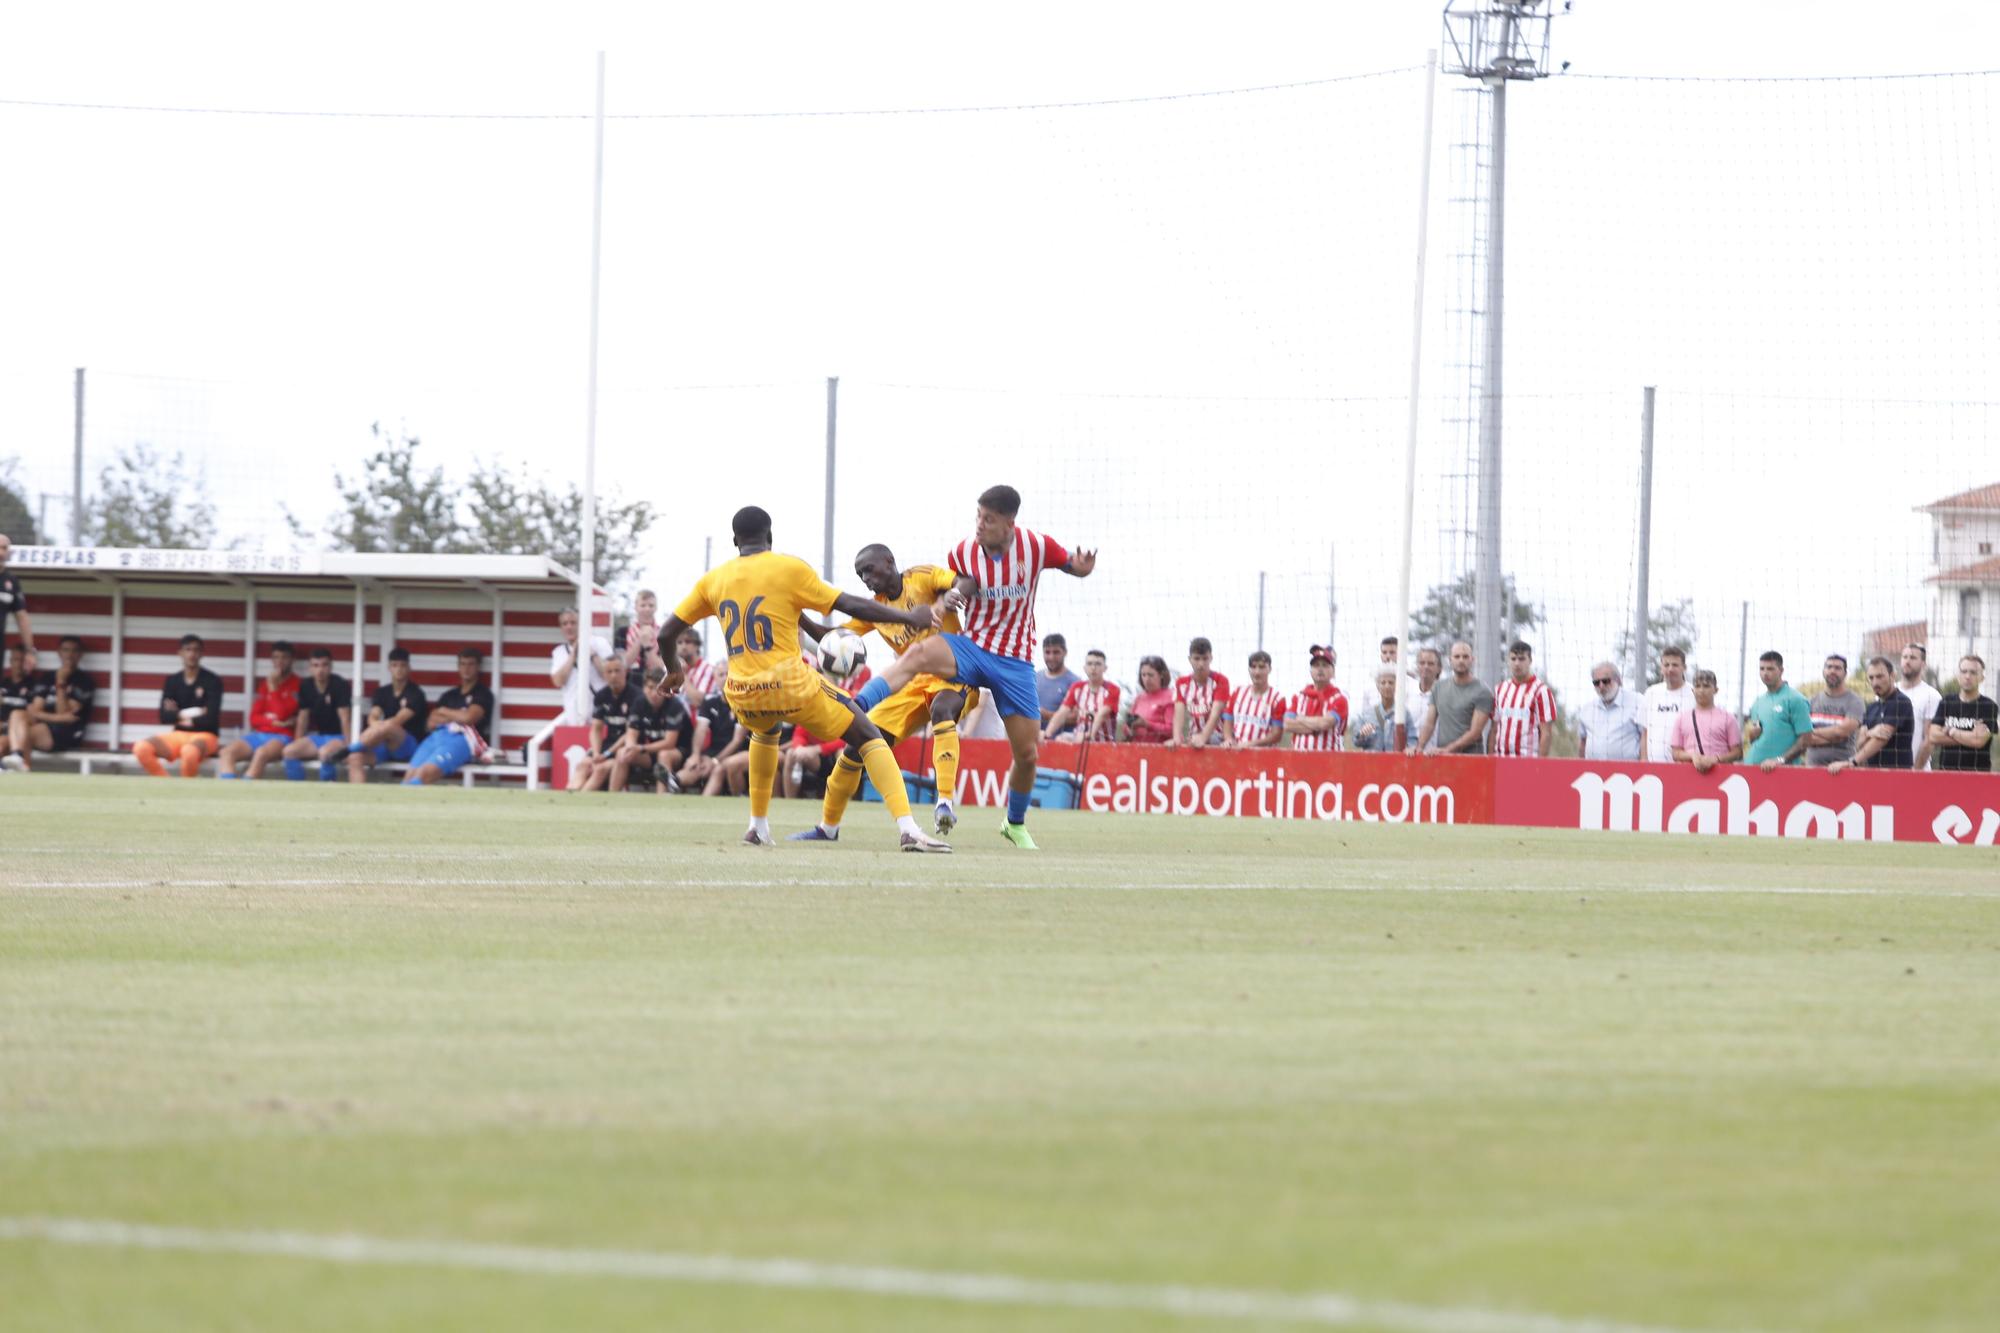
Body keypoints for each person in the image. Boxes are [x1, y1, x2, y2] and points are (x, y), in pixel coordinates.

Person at [649, 506, 952, 851]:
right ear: (770, 537)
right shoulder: (788, 568)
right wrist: (908, 615)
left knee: (765, 731)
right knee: (867, 734)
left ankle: (758, 828)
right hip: (790, 684)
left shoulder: (712, 580)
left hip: (742, 692)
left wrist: (674, 670)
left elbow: (666, 634)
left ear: (735, 541)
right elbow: (850, 604)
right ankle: (909, 829)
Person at [848, 485, 1096, 850]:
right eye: (978, 516)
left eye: (989, 519)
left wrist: (1082, 569)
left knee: (1027, 755)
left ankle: (1014, 823)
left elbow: (1069, 564)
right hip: (973, 647)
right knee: (916, 656)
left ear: (1009, 523)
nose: (980, 524)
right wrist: (947, 601)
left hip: (1014, 662)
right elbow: (964, 581)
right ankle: (858, 705)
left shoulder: (1037, 546)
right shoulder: (962, 550)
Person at [791, 545, 972, 841]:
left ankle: (945, 803)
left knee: (942, 710)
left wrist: (953, 593)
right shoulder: (876, 609)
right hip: (909, 682)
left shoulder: (922, 578)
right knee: (857, 745)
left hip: (953, 672)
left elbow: (961, 580)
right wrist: (800, 617)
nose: (866, 578)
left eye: (869, 570)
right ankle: (828, 827)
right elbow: (832, 637)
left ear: (889, 562)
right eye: (861, 574)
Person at [134, 634, 226, 777]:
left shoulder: (212, 680)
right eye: (188, 650)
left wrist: (177, 714)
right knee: (141, 748)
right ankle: (167, 785)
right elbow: (164, 717)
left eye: (196, 650)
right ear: (180, 653)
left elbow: (211, 718)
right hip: (178, 734)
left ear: (201, 654)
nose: (192, 654)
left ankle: (187, 791)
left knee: (189, 752)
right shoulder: (172, 681)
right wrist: (196, 712)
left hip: (206, 736)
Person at [2, 634, 95, 771]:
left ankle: (21, 765)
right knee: (17, 714)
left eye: (74, 650)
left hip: (67, 732)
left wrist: (60, 682)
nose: (69, 655)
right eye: (65, 650)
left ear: (80, 654)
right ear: (58, 652)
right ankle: (17, 757)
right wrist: (59, 718)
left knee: (18, 736)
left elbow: (63, 712)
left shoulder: (84, 681)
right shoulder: (47, 677)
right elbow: (36, 710)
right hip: (45, 728)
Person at [404, 648, 495, 785]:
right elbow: (431, 722)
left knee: (423, 775)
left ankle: (409, 804)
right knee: (410, 775)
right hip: (437, 736)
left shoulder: (482, 693)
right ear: (458, 667)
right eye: (463, 664)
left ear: (478, 667)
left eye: (471, 664)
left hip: (464, 740)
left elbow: (469, 718)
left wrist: (445, 711)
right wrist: (458, 715)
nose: (466, 668)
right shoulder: (449, 695)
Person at [216, 641, 299, 780]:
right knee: (226, 752)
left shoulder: (297, 684)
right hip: (259, 734)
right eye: (276, 657)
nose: (280, 661)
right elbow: (254, 718)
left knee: (261, 753)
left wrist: (273, 688)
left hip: (282, 736)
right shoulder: (264, 685)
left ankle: (244, 791)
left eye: (284, 657)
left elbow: (282, 714)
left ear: (292, 660)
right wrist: (273, 721)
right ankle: (228, 790)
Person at [347, 646, 428, 783]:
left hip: (409, 745)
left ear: (409, 668)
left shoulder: (416, 693)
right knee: (355, 758)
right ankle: (358, 796)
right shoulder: (382, 692)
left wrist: (378, 728)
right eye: (394, 665)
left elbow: (397, 721)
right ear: (389, 668)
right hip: (384, 744)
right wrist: (375, 725)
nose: (399, 669)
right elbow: (373, 717)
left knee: (390, 726)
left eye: (403, 665)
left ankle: (354, 745)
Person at [612, 665, 694, 793]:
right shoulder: (639, 703)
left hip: (678, 753)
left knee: (664, 755)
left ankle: (662, 800)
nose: (654, 693)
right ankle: (611, 799)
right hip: (650, 751)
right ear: (644, 688)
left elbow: (669, 743)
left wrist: (641, 748)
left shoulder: (675, 705)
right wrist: (630, 747)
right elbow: (631, 733)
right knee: (622, 753)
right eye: (650, 687)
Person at [570, 653, 644, 793]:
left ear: (625, 672)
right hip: (607, 745)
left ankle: (580, 801)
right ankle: (569, 797)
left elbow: (630, 734)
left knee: (600, 769)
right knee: (583, 765)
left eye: (617, 671)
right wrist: (597, 752)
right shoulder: (601, 696)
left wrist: (607, 754)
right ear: (604, 674)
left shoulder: (637, 697)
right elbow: (596, 729)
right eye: (609, 672)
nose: (613, 675)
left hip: (627, 748)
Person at [1828, 657, 1915, 772]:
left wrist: (1852, 762)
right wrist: (1870, 733)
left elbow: (1881, 738)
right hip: (1873, 773)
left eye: (1879, 676)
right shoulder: (1872, 707)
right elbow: (1859, 743)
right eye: (1871, 678)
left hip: (1897, 774)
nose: (1875, 682)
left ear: (1892, 675)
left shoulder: (1901, 701)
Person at [281, 647, 353, 781]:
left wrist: (348, 746)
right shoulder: (306, 685)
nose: (320, 670)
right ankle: (297, 791)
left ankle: (326, 792)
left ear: (331, 667)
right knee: (289, 751)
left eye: (324, 665)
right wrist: (298, 742)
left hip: (339, 737)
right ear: (310, 668)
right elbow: (303, 718)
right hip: (319, 738)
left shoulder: (340, 685)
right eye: (316, 665)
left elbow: (345, 718)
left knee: (325, 753)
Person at [1417, 640, 1493, 756]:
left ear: (1472, 659)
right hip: (1442, 758)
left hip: (1471, 758)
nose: (1461, 660)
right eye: (1457, 656)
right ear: (1450, 660)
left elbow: (1475, 732)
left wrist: (1448, 750)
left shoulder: (1482, 691)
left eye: (1465, 657)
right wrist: (1419, 747)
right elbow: (1429, 724)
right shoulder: (1438, 687)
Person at [1743, 650, 1814, 771]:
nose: (1765, 673)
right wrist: (1752, 735)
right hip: (1752, 769)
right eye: (1762, 669)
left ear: (1781, 670)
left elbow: (1806, 740)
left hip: (1781, 773)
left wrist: (1780, 760)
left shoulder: (1796, 699)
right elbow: (1756, 737)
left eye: (1770, 669)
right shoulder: (1758, 702)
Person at [1929, 655, 1997, 773]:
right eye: (1964, 671)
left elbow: (1978, 741)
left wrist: (1951, 731)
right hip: (1946, 774)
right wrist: (1969, 736)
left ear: (1982, 678)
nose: (1967, 676)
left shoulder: (1989, 706)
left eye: (1973, 672)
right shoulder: (1947, 701)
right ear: (1958, 675)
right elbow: (1933, 736)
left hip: (1977, 775)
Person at [1489, 640, 1556, 758]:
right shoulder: (1500, 689)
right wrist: (1489, 758)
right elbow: (1494, 728)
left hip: (1527, 761)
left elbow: (1546, 734)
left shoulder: (1541, 691)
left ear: (1530, 660)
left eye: (1521, 659)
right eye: (1513, 659)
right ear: (1508, 661)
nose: (1517, 663)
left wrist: (1539, 766)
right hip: (1500, 760)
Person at [1669, 669, 1743, 772]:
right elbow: (1675, 753)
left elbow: (1738, 753)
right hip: (1689, 775)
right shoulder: (1681, 718)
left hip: (1720, 775)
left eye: (1706, 686)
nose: (1701, 690)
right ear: (1693, 690)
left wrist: (1715, 759)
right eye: (1698, 686)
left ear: (1715, 690)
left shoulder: (1728, 718)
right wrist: (1693, 756)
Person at [551, 606, 614, 726]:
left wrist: (593, 656)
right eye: (564, 624)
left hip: (602, 715)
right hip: (574, 718)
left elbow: (611, 676)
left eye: (573, 622)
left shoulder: (599, 643)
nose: (569, 627)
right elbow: (558, 681)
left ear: (582, 624)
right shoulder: (558, 652)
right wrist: (573, 655)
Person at [1802, 654, 1866, 769]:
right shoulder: (1811, 701)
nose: (1832, 671)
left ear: (1845, 673)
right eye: (1829, 667)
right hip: (1812, 768)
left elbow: (1842, 732)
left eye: (1837, 668)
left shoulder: (1855, 701)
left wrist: (1812, 732)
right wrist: (1834, 737)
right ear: (1823, 671)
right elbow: (1803, 737)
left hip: (1843, 768)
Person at [1044, 648, 1120, 742]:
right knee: (1060, 739)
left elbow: (1102, 714)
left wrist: (1090, 734)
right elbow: (1062, 712)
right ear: (1084, 668)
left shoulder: (1112, 689)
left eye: (1098, 664)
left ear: (1105, 668)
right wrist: (1047, 734)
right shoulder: (1077, 687)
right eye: (1090, 664)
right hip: (1079, 738)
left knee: (1080, 739)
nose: (1093, 668)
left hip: (1104, 743)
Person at [1168, 637, 1230, 749]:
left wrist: (1203, 737)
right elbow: (1178, 713)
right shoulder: (1182, 683)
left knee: (1212, 740)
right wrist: (1176, 738)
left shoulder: (1221, 681)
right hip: (1194, 736)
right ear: (1190, 659)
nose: (1201, 664)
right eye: (1196, 659)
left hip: (1218, 737)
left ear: (1211, 658)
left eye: (1205, 659)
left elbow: (1216, 713)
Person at [1283, 645, 1347, 752]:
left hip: (1329, 761)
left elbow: (1324, 724)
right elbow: (1287, 724)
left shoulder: (1339, 699)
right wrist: (1316, 727)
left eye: (1325, 665)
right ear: (1310, 670)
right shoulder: (1299, 697)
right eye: (1316, 665)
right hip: (1299, 761)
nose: (1320, 669)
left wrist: (1300, 718)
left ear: (1333, 671)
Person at [1575, 661, 1643, 762]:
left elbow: (1646, 737)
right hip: (1594, 772)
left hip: (1629, 772)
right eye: (1596, 683)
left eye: (1606, 681)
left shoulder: (1637, 702)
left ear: (1618, 680)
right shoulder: (1587, 710)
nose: (1601, 686)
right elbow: (1582, 742)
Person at [1638, 646, 1693, 764]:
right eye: (1666, 665)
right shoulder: (1651, 692)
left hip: (1684, 766)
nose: (1670, 669)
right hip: (1654, 766)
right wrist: (1643, 760)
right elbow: (1645, 731)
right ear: (1661, 668)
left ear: (1684, 668)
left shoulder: (1694, 694)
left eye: (1675, 665)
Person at [1224, 650, 1287, 748]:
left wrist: (1251, 744)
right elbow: (1227, 721)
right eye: (1253, 667)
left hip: (1264, 756)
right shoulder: (1237, 693)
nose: (1257, 672)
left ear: (1269, 669)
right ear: (1249, 669)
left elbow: (1276, 735)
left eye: (1261, 667)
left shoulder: (1277, 699)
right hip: (1237, 752)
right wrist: (1228, 739)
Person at [1898, 642, 1943, 770]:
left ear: (1923, 664)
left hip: (1917, 771)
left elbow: (1929, 739)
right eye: (1904, 657)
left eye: (1912, 658)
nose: (1907, 661)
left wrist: (1915, 771)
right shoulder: (1889, 692)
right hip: (1889, 769)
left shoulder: (1931, 695)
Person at [1351, 666, 1412, 754]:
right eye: (1383, 683)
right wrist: (1362, 735)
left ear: (1397, 685)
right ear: (1377, 686)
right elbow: (1355, 742)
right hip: (1372, 764)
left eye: (1391, 683)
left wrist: (1410, 747)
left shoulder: (1404, 713)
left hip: (1395, 763)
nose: (1387, 686)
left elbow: (1412, 738)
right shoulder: (1366, 715)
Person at [1120, 656, 1175, 744]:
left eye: (1151, 675)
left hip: (1162, 750)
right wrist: (1130, 729)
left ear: (1161, 675)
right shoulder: (1139, 698)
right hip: (1138, 749)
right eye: (1143, 675)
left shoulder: (1171, 696)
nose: (1147, 679)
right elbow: (1125, 727)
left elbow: (1172, 730)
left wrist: (1147, 724)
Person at [0, 533, 36, 659]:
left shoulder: (11, 581)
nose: (1, 553)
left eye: (4, 548)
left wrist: (29, 651)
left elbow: (22, 617)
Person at [0, 644, 36, 767]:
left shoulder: (33, 685)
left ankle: (17, 761)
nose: (18, 664)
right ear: (10, 661)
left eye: (22, 660)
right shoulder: (3, 684)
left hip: (21, 731)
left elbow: (34, 716)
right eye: (15, 659)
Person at [1037, 633, 1080, 726]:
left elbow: (1078, 717)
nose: (1051, 657)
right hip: (1034, 738)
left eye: (1056, 652)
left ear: (1065, 652)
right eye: (1047, 652)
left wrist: (1048, 715)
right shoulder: (1034, 678)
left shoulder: (1075, 682)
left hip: (1062, 739)